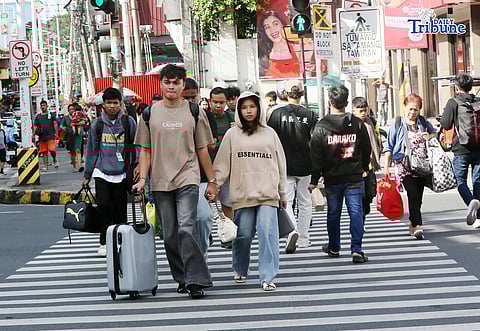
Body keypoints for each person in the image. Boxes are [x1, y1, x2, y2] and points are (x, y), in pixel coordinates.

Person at [133, 64, 216, 299]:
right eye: (167, 82)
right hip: (160, 181)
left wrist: (212, 181)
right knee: (169, 233)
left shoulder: (193, 112)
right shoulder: (149, 114)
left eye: (176, 83)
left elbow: (202, 150)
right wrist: (142, 180)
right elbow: (145, 151)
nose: (172, 87)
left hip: (188, 177)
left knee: (187, 228)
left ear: (183, 85)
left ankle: (196, 280)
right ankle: (182, 277)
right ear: (161, 84)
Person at [214, 91, 287, 291]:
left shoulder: (270, 133)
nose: (248, 111)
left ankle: (268, 276)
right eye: (244, 107)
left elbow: (281, 164)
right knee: (244, 234)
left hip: (268, 194)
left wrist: (282, 193)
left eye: (252, 107)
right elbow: (221, 164)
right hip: (243, 194)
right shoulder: (232, 135)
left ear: (259, 109)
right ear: (238, 109)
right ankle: (239, 268)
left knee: (267, 232)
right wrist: (215, 184)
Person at [309, 85, 371, 263]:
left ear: (330, 102)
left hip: (332, 177)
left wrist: (314, 178)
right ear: (347, 102)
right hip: (353, 175)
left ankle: (334, 247)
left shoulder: (321, 126)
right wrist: (364, 167)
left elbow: (316, 155)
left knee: (333, 212)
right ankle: (357, 249)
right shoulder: (357, 124)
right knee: (356, 212)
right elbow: (366, 149)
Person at [82, 87, 139, 257]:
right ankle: (105, 242)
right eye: (109, 103)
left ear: (121, 104)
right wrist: (87, 175)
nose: (112, 106)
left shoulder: (129, 122)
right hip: (102, 172)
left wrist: (137, 166)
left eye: (115, 103)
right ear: (103, 105)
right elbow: (91, 150)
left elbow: (136, 147)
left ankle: (121, 241)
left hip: (122, 173)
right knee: (104, 207)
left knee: (120, 210)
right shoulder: (97, 125)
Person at [267, 80, 317, 252]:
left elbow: (269, 139)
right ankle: (303, 238)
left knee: (286, 201)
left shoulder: (275, 113)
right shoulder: (310, 115)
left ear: (285, 94)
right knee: (305, 202)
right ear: (302, 94)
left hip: (283, 165)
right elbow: (315, 142)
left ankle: (291, 231)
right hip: (305, 164)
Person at [384, 93, 436, 239]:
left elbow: (434, 136)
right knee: (412, 194)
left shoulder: (423, 122)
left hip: (422, 165)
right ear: (405, 107)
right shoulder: (398, 123)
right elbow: (389, 146)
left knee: (418, 197)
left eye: (416, 109)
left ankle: (412, 224)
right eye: (411, 109)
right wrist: (386, 167)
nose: (412, 112)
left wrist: (430, 136)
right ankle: (418, 225)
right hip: (404, 166)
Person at [184, 77, 218, 259]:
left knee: (203, 216)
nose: (190, 102)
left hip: (202, 175)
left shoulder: (205, 115)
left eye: (193, 97)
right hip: (178, 176)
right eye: (186, 98)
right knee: (185, 221)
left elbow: (210, 145)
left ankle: (203, 249)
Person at [440, 73, 480, 228]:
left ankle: (471, 202)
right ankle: (479, 218)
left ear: (457, 86)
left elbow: (445, 123)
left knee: (460, 181)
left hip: (461, 148)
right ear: (471, 86)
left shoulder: (453, 102)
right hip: (479, 147)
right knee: (478, 181)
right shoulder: (478, 101)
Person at [351, 97, 382, 226]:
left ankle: (364, 211)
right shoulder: (350, 124)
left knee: (370, 194)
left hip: (369, 166)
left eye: (365, 110)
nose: (363, 113)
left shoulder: (372, 122)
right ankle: (360, 221)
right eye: (360, 111)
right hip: (355, 167)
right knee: (360, 195)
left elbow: (378, 138)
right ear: (353, 110)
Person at [210, 87, 235, 233]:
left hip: (227, 166)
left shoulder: (232, 118)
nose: (218, 105)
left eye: (221, 102)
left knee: (227, 200)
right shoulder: (204, 118)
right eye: (215, 102)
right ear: (209, 101)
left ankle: (229, 230)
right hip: (207, 166)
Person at [34, 100, 59, 171]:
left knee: (52, 150)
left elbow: (55, 124)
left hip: (50, 136)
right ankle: (45, 166)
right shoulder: (38, 117)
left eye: (44, 105)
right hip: (42, 137)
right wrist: (34, 133)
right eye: (41, 106)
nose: (43, 107)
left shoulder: (51, 115)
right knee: (44, 152)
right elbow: (35, 126)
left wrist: (56, 133)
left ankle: (54, 159)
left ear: (47, 106)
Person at [61, 103, 84, 172]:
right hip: (70, 135)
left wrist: (75, 124)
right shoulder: (66, 118)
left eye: (72, 109)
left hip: (78, 135)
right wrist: (64, 128)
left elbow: (83, 122)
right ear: (68, 110)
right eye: (70, 109)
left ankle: (80, 166)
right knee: (72, 152)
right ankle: (74, 166)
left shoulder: (78, 116)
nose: (71, 110)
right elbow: (62, 126)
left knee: (78, 150)